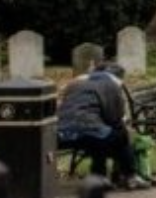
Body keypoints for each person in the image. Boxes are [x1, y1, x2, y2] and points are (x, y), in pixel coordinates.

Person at [56, 62, 151, 190]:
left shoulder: (76, 83)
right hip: (88, 131)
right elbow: (115, 118)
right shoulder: (111, 85)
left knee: (100, 135)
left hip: (60, 134)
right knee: (120, 134)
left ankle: (99, 177)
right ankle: (130, 176)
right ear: (118, 78)